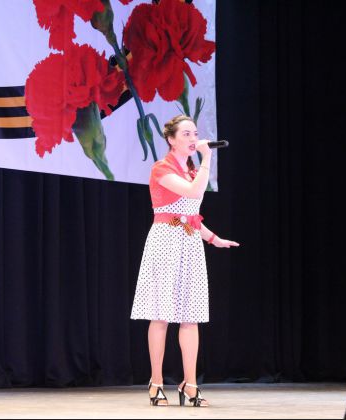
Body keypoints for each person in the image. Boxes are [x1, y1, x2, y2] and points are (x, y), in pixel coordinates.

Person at [130, 115, 239, 407]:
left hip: (189, 242)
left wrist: (213, 238)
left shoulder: (192, 172)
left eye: (195, 133)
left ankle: (190, 384)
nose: (194, 139)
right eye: (187, 134)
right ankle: (156, 382)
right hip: (165, 240)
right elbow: (193, 193)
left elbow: (190, 215)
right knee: (161, 315)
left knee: (191, 316)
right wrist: (207, 158)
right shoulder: (161, 168)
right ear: (171, 139)